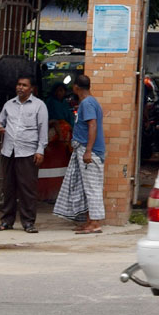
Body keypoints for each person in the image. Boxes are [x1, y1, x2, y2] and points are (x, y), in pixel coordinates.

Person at [0, 76, 47, 233]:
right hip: (9, 151)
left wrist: (40, 150)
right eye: (19, 84)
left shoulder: (39, 106)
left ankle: (28, 222)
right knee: (8, 187)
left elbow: (43, 129)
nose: (20, 87)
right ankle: (6, 221)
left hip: (28, 152)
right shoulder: (9, 105)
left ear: (31, 89)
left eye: (24, 85)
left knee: (27, 188)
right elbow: (0, 123)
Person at [54, 74, 105, 234]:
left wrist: (88, 150)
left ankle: (95, 223)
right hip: (85, 149)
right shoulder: (90, 102)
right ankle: (90, 221)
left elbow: (92, 125)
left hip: (89, 150)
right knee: (86, 188)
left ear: (76, 87)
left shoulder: (87, 103)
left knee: (92, 188)